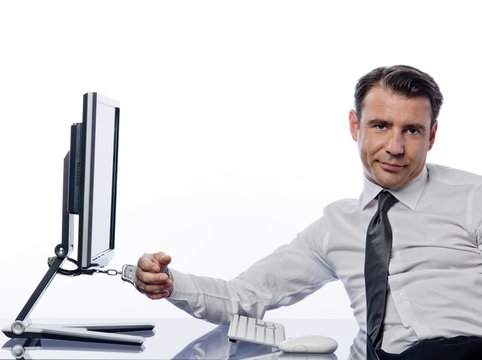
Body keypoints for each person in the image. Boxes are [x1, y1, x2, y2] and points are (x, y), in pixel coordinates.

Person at [134, 65, 482, 360]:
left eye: (412, 130)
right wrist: (169, 283)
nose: (395, 147)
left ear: (432, 136)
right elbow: (246, 297)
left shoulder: (472, 197)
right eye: (380, 126)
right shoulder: (335, 226)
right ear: (354, 126)